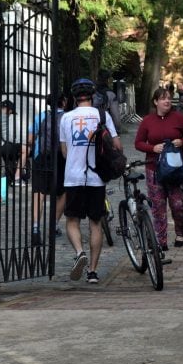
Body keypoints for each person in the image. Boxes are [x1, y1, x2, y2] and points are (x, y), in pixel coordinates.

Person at [60, 78, 123, 284]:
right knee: (95, 223)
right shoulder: (102, 115)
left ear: (74, 97)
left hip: (73, 176)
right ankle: (93, 272)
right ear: (93, 95)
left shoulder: (66, 118)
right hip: (96, 177)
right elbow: (116, 145)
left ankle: (79, 252)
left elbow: (64, 150)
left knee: (72, 220)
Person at [135, 87, 183, 249]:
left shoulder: (179, 118)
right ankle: (161, 241)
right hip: (153, 169)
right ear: (156, 102)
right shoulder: (147, 121)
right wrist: (152, 148)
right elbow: (138, 143)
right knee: (158, 206)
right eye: (163, 98)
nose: (167, 101)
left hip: (175, 168)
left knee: (177, 204)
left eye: (169, 98)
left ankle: (180, 233)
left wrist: (182, 142)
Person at [28, 92, 67, 246]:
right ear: (63, 102)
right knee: (63, 193)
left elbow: (30, 139)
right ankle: (54, 225)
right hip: (61, 159)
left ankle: (36, 228)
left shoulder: (40, 117)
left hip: (41, 158)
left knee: (39, 194)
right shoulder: (67, 117)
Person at [0, 99, 28, 184]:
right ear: (9, 109)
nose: (10, 114)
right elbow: (6, 136)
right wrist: (20, 141)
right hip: (3, 146)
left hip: (1, 145)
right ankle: (17, 177)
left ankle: (10, 178)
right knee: (25, 150)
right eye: (11, 112)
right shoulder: (3, 116)